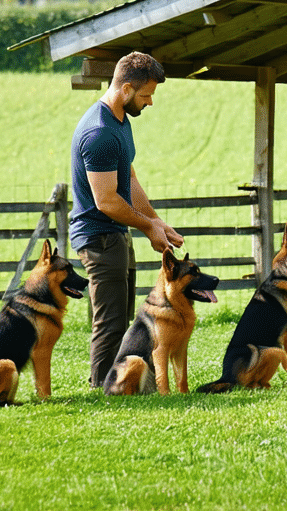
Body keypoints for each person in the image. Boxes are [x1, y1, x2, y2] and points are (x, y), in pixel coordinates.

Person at [69, 51, 183, 388]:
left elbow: (128, 180)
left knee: (123, 319)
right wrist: (147, 227)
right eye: (146, 95)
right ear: (126, 89)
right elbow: (106, 201)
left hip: (117, 234)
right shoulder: (99, 132)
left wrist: (157, 222)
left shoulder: (121, 124)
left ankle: (119, 384)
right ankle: (102, 389)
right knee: (111, 322)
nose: (150, 103)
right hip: (99, 237)